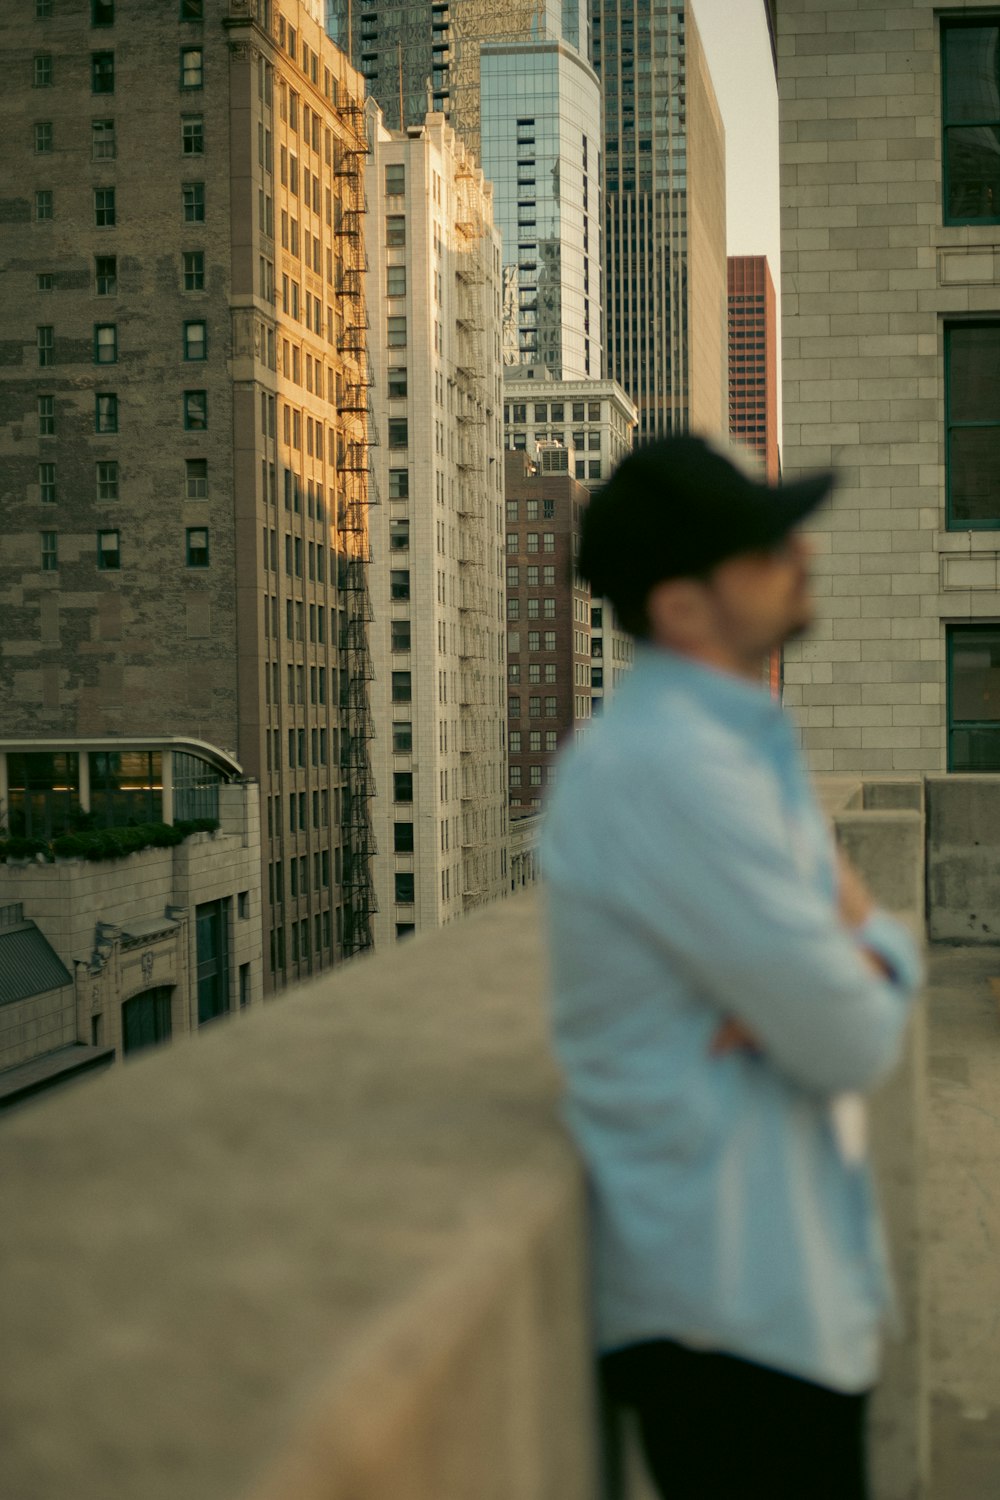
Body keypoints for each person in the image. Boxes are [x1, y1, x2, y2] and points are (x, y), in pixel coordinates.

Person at [541, 436, 923, 1500]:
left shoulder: (734, 748)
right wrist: (870, 948)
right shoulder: (671, 774)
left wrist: (853, 956)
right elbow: (852, 1036)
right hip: (729, 1322)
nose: (797, 554)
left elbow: (847, 992)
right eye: (759, 546)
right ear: (681, 608)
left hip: (777, 1297)